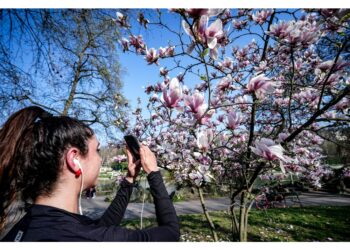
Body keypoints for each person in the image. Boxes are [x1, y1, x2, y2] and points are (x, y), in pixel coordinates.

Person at [0, 106, 180, 241]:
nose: (100, 159)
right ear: (74, 159)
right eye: (97, 150)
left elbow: (99, 227)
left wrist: (130, 178)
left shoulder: (26, 226)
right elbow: (171, 233)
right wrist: (154, 173)